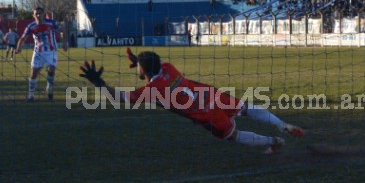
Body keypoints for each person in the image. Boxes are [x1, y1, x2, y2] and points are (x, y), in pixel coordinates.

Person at [78, 48, 305, 154]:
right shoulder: (168, 68)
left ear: (143, 70)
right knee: (246, 108)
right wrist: (139, 61)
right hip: (210, 95)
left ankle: (273, 141)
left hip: (204, 114)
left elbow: (120, 98)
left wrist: (98, 82)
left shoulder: (152, 91)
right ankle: (281, 124)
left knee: (233, 135)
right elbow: (154, 65)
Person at [15, 7, 66, 102]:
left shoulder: (51, 23)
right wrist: (18, 48)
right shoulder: (31, 26)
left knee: (51, 70)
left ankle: (49, 89)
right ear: (33, 15)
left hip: (51, 51)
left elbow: (62, 30)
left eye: (40, 13)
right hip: (38, 52)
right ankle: (31, 96)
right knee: (34, 73)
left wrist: (64, 42)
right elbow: (23, 38)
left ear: (43, 14)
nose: (38, 15)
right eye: (36, 14)